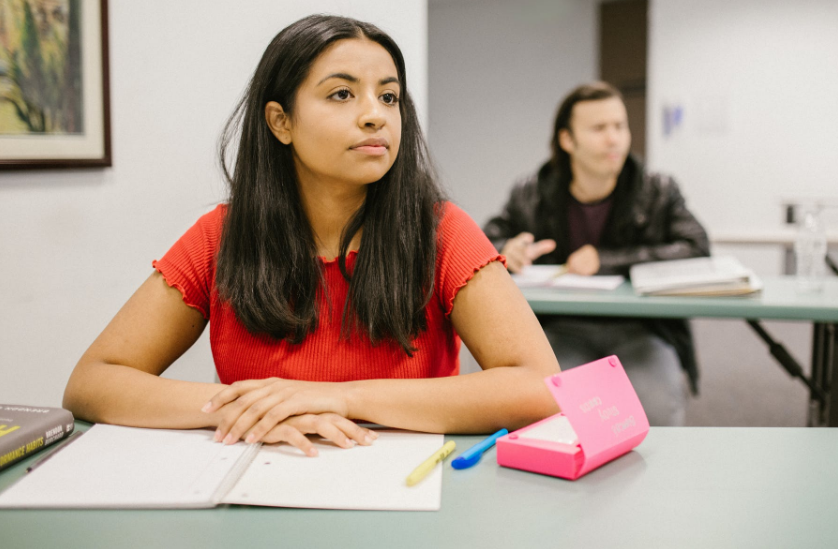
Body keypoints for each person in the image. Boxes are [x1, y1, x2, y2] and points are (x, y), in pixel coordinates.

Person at [63, 15, 560, 456]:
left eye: (389, 97)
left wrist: (341, 398)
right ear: (281, 122)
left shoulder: (443, 232)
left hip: (403, 494)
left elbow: (541, 386)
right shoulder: (221, 236)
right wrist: (253, 408)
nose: (375, 115)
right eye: (342, 93)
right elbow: (94, 381)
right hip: (259, 486)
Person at [483, 82, 710, 426]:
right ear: (567, 140)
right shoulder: (531, 192)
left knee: (657, 411)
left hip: (644, 328)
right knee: (550, 413)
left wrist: (606, 262)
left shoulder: (657, 189)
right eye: (599, 128)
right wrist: (506, 252)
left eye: (620, 126)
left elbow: (697, 247)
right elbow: (486, 243)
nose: (614, 139)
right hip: (560, 329)